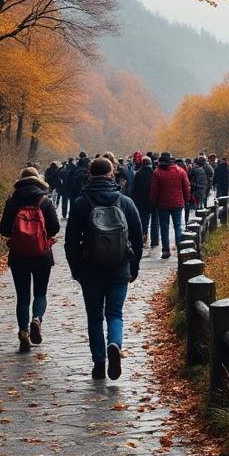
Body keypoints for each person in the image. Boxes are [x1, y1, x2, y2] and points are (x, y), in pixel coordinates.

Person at [64, 157, 143, 380]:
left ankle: (99, 363)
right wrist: (134, 267)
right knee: (115, 314)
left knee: (94, 317)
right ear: (111, 174)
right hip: (119, 268)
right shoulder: (125, 202)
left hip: (90, 269)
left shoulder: (81, 203)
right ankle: (114, 344)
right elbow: (137, 238)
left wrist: (76, 270)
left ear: (89, 174)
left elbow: (70, 242)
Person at [0, 167, 60, 353]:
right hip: (42, 255)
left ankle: (23, 331)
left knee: (23, 297)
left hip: (18, 256)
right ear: (38, 180)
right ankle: (37, 319)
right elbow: (55, 227)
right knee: (40, 293)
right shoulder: (44, 201)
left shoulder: (12, 201)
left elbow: (3, 229)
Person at [148, 152, 190, 259]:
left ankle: (166, 250)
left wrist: (153, 201)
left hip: (162, 204)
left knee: (164, 227)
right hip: (178, 202)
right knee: (178, 226)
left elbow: (154, 190)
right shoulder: (180, 171)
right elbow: (186, 186)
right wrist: (186, 199)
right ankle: (180, 249)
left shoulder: (157, 172)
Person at [130, 156, 158, 250]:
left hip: (141, 202)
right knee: (155, 222)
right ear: (150, 163)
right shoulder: (154, 173)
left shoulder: (138, 174)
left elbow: (134, 188)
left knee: (143, 222)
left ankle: (143, 240)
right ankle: (155, 241)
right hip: (153, 201)